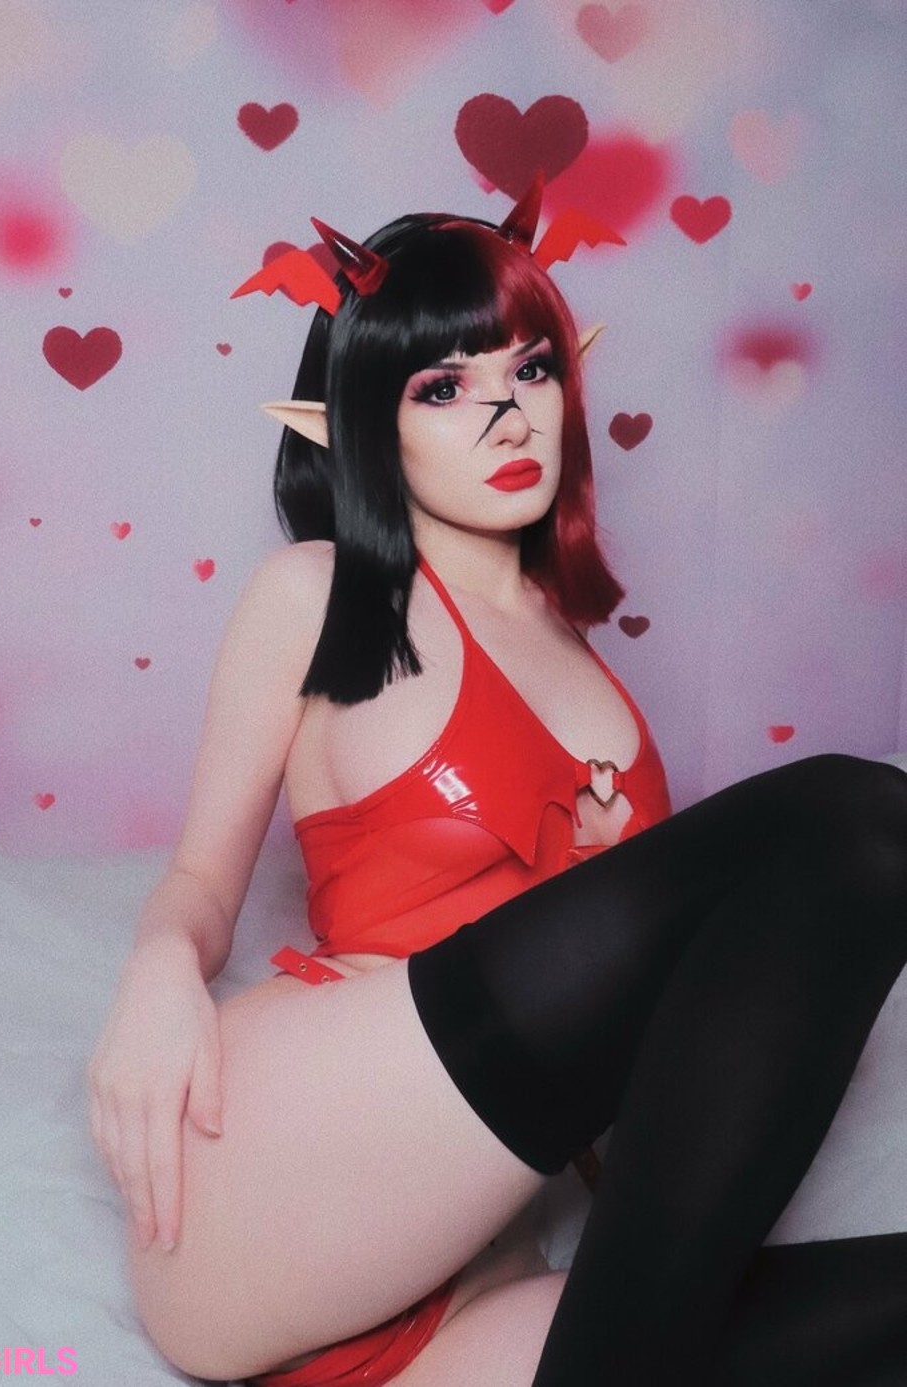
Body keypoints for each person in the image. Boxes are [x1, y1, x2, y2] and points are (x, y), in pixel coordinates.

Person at [88, 189, 907, 1387]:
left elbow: (650, 1044)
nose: (507, 413)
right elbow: (203, 878)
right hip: (280, 1172)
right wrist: (159, 970)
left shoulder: (589, 667)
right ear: (364, 425)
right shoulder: (319, 594)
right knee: (859, 816)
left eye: (530, 368)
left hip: (478, 1264)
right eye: (442, 388)